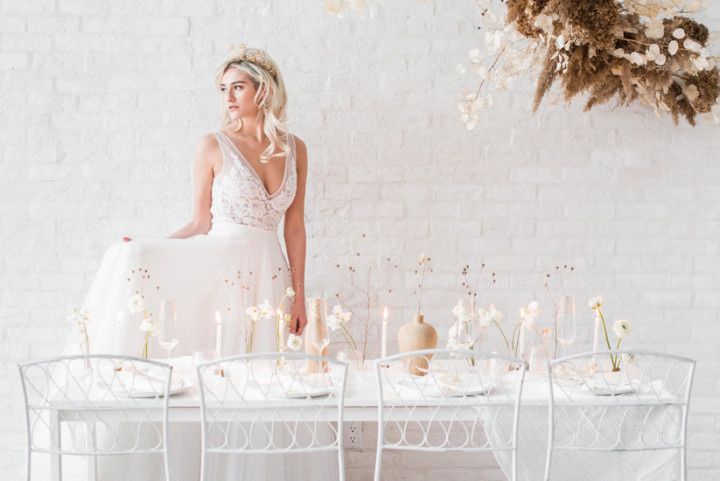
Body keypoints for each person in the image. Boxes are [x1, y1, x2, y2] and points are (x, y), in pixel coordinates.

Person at [67, 44, 337, 481]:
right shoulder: (214, 144)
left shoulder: (297, 149)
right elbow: (200, 220)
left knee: (264, 385)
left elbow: (296, 227)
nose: (228, 98)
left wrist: (300, 294)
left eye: (238, 87)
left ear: (263, 90)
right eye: (223, 89)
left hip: (271, 274)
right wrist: (150, 244)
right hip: (221, 266)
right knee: (222, 378)